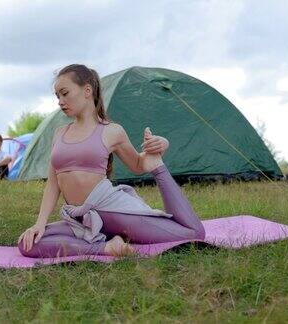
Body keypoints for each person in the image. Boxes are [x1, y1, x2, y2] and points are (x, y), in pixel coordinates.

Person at [17, 64, 205, 257]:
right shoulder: (59, 134)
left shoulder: (111, 131)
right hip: (80, 218)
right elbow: (53, 184)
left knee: (193, 233)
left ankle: (158, 169)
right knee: (27, 244)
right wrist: (39, 223)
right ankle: (106, 247)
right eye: (57, 96)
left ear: (87, 90)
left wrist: (158, 152)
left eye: (65, 93)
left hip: (112, 210)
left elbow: (139, 165)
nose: (60, 101)